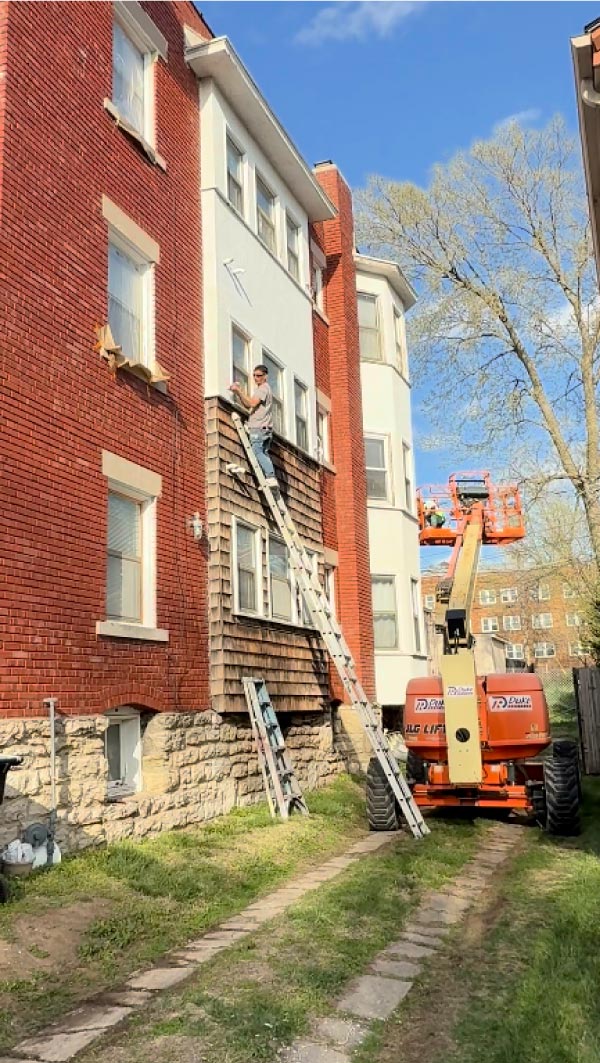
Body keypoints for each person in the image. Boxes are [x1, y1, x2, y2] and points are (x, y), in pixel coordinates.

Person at [230, 366, 278, 488]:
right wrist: (238, 392)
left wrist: (238, 390)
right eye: (254, 375)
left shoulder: (263, 389)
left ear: (265, 376)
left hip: (259, 428)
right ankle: (269, 478)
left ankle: (270, 477)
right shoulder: (265, 389)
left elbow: (251, 403)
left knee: (257, 451)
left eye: (259, 375)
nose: (256, 378)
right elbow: (248, 405)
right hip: (264, 429)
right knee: (263, 453)